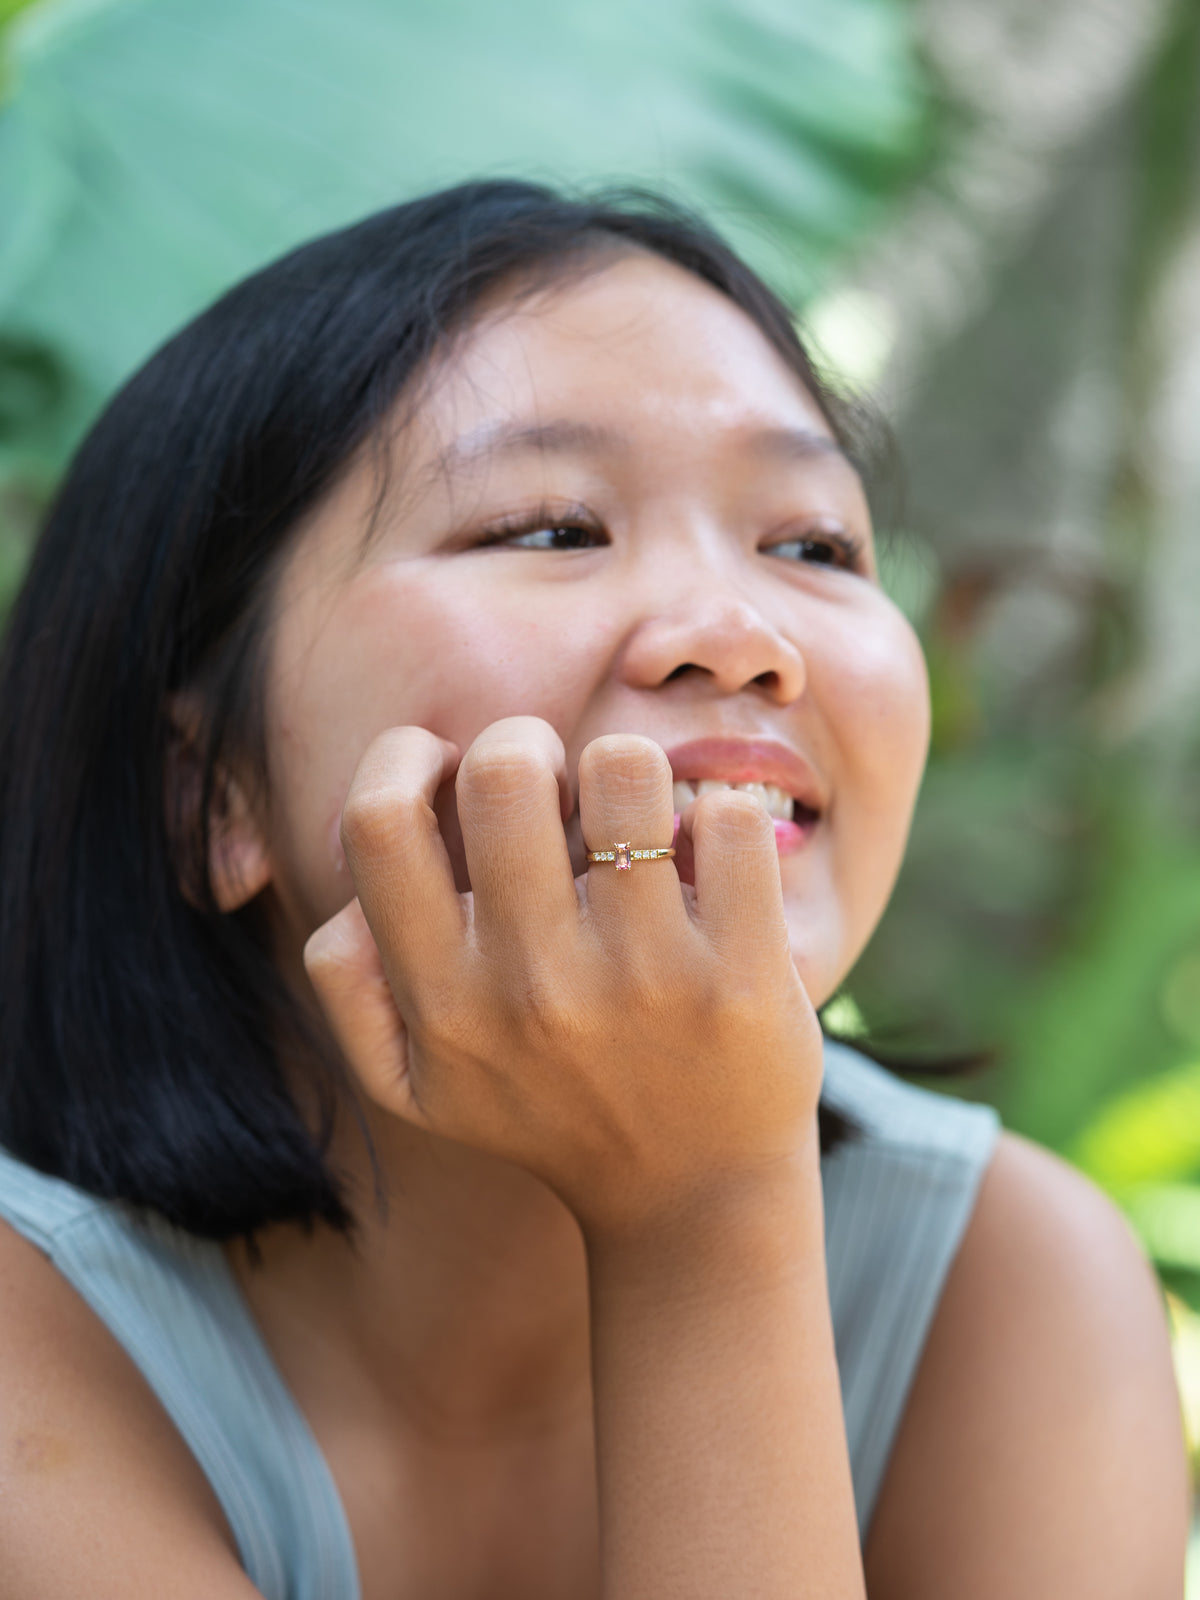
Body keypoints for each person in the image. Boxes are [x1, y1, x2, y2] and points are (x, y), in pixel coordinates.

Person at [0, 180, 1187, 1600]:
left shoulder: (1010, 1283)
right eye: (553, 526)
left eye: (811, 545)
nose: (737, 634)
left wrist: (707, 1208)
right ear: (211, 797)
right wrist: (703, 1221)